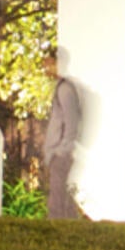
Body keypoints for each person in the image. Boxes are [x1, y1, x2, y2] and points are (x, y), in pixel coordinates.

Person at [42, 48, 85, 221]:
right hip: (58, 151)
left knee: (58, 199)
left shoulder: (65, 89)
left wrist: (62, 149)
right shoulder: (63, 88)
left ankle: (57, 229)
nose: (45, 68)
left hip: (61, 152)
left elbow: (71, 120)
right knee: (62, 197)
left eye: (49, 63)